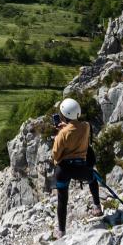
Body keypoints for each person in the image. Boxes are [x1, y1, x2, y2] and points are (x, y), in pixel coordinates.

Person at [51, 97, 102, 237]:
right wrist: (66, 128)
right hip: (82, 168)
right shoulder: (86, 126)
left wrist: (61, 132)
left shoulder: (62, 134)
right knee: (92, 178)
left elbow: (56, 155)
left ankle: (61, 231)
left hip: (64, 170)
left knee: (62, 198)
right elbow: (76, 130)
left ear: (63, 115)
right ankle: (97, 207)